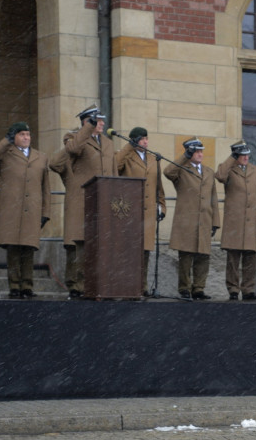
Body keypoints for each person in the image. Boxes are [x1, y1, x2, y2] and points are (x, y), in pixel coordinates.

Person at [49, 104, 115, 299]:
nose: (102, 123)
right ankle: (76, 285)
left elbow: (113, 172)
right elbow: (72, 149)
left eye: (102, 120)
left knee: (100, 245)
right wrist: (87, 128)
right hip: (82, 200)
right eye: (97, 120)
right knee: (79, 245)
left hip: (103, 201)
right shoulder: (74, 138)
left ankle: (98, 283)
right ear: (87, 121)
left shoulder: (108, 143)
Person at [0, 121, 50, 299]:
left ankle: (27, 285)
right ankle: (14, 285)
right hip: (12, 210)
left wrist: (46, 212)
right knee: (13, 249)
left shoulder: (40, 157)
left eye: (28, 134)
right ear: (14, 137)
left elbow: (46, 188)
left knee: (28, 249)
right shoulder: (5, 153)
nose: (26, 138)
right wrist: (6, 141)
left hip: (32, 210)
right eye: (21, 135)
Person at [164, 137, 220, 300]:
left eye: (201, 151)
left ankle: (199, 288)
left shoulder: (208, 171)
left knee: (203, 256)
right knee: (186, 257)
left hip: (204, 220)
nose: (200, 154)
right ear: (189, 152)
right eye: (196, 151)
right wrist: (184, 157)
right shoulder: (182, 169)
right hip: (187, 221)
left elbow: (213, 198)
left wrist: (215, 221)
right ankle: (184, 288)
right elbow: (168, 172)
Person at [115, 126, 166, 297]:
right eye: (142, 139)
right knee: (130, 251)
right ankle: (128, 285)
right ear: (135, 141)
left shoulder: (153, 159)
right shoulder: (126, 157)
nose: (146, 142)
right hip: (131, 212)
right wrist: (128, 146)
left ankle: (142, 286)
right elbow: (114, 166)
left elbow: (159, 186)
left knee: (145, 252)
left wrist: (162, 206)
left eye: (146, 138)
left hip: (149, 213)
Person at [216, 140, 256, 300]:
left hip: (251, 221)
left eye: (246, 154)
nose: (245, 157)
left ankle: (248, 289)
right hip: (235, 222)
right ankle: (233, 289)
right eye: (241, 154)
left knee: (250, 257)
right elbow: (220, 176)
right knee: (233, 257)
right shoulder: (229, 170)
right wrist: (232, 157)